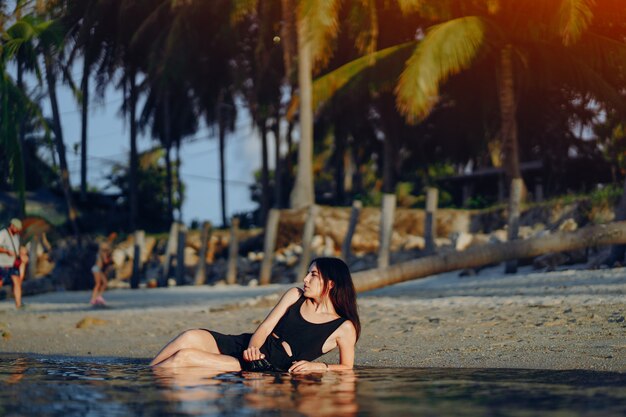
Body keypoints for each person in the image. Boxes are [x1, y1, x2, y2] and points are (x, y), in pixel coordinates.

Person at [150, 257, 361, 373]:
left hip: (266, 365)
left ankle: (148, 391)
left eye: (313, 275)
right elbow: (266, 327)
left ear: (330, 283)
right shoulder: (295, 295)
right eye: (307, 272)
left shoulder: (343, 327)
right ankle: (147, 375)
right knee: (189, 337)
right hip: (250, 345)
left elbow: (347, 368)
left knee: (183, 357)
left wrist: (319, 367)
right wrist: (252, 348)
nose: (305, 279)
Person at [0, 218, 28, 309]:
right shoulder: (3, 234)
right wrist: (6, 251)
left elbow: (16, 250)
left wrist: (22, 254)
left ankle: (18, 304)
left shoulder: (16, 236)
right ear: (12, 226)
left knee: (17, 282)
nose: (17, 230)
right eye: (16, 228)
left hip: (13, 263)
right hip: (3, 263)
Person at [90, 242, 113, 306]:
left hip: (98, 270)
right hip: (97, 269)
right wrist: (110, 258)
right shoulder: (102, 253)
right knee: (98, 284)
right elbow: (106, 261)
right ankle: (93, 299)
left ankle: (98, 297)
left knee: (104, 283)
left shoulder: (100, 253)